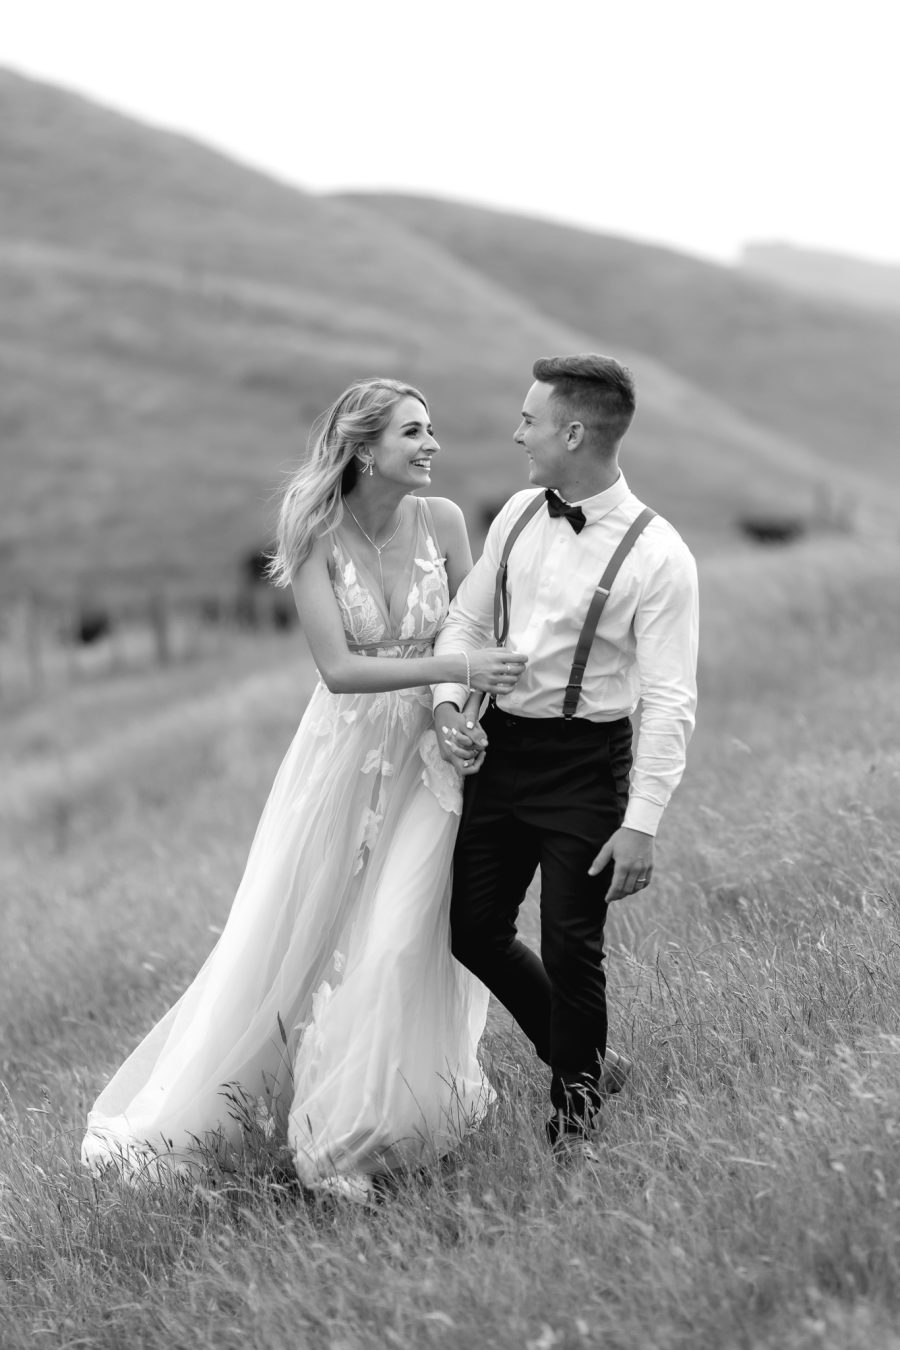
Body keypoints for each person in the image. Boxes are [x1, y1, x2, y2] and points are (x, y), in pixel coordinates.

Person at [81, 377, 527, 1199]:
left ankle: (362, 1124)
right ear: (364, 448)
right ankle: (259, 1107)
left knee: (401, 933)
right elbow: (342, 668)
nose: (432, 446)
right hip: (344, 756)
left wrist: (457, 710)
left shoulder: (447, 521)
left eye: (431, 432)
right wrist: (459, 668)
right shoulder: (315, 529)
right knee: (308, 924)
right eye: (414, 433)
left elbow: (473, 628)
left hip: (432, 759)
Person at [433, 354, 699, 1157]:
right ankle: (583, 1059)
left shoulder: (660, 556)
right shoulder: (516, 512)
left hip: (587, 766)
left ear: (573, 432)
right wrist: (452, 704)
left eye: (530, 420)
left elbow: (671, 699)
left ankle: (574, 1124)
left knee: (571, 947)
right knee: (472, 928)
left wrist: (642, 822)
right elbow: (467, 624)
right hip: (502, 748)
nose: (519, 432)